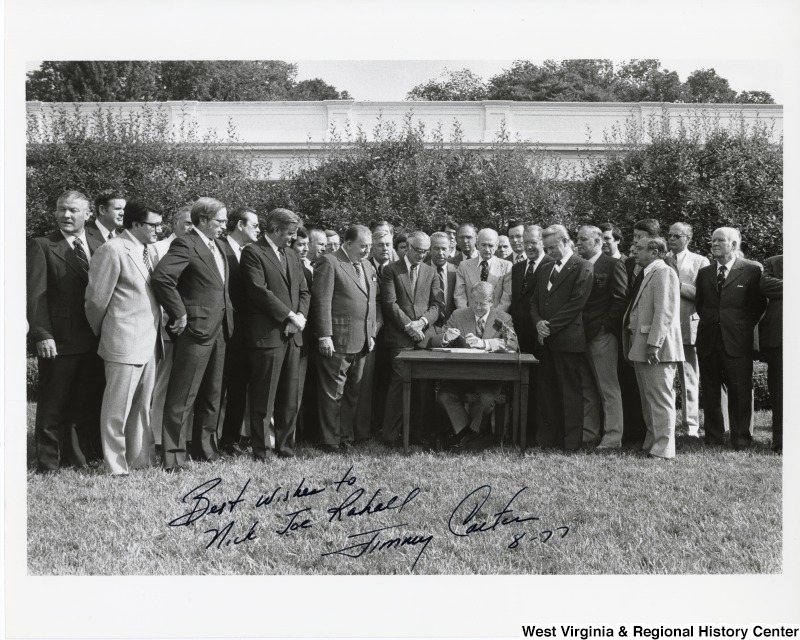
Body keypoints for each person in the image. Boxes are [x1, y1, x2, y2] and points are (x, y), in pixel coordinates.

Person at [150, 197, 234, 471]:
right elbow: (162, 277)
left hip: (220, 328)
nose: (225, 225)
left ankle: (206, 449)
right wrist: (180, 312)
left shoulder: (218, 246)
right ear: (203, 220)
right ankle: (173, 455)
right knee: (183, 395)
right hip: (196, 330)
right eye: (220, 221)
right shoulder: (185, 243)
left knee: (212, 394)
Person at [27, 190, 105, 472]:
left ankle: (79, 456)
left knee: (84, 401)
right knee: (52, 403)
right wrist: (42, 334)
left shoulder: (99, 243)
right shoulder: (43, 245)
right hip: (58, 339)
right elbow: (35, 296)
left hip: (94, 338)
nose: (66, 215)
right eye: (61, 209)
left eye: (73, 210)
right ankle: (48, 462)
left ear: (88, 214)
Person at [84, 200, 163, 475]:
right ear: (136, 224)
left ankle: (140, 460)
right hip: (123, 342)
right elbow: (96, 301)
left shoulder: (149, 251)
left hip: (150, 341)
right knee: (117, 409)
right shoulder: (113, 249)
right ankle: (116, 466)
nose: (158, 229)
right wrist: (107, 333)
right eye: (153, 224)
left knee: (142, 406)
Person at [239, 208, 309, 459]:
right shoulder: (253, 253)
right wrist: (289, 317)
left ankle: (286, 448)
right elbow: (259, 291)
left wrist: (299, 318)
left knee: (289, 399)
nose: (293, 238)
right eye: (289, 233)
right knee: (264, 398)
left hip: (293, 335)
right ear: (276, 229)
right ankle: (262, 450)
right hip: (268, 336)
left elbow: (304, 291)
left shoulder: (291, 254)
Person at [695, 227, 767, 450]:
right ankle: (714, 437)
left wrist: (742, 326)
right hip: (709, 339)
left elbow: (759, 305)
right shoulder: (705, 272)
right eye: (713, 240)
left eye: (720, 241)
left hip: (737, 340)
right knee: (710, 389)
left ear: (734, 245)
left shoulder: (752, 270)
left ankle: (741, 438)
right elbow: (701, 303)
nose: (714, 244)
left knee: (740, 390)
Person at [312, 224, 377, 452]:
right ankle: (329, 439)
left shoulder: (368, 265)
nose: (367, 251)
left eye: (369, 246)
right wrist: (324, 335)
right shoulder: (330, 262)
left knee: (352, 392)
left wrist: (371, 333)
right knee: (333, 392)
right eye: (362, 246)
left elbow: (371, 302)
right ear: (347, 244)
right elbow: (321, 301)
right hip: (337, 339)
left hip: (362, 341)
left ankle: (345, 436)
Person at [429, 282, 518, 449]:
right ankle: (470, 434)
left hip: (489, 378)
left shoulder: (501, 319)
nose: (477, 307)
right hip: (461, 377)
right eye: (474, 302)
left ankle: (467, 434)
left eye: (482, 304)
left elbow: (513, 344)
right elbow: (435, 340)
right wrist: (446, 337)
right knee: (444, 396)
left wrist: (484, 343)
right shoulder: (458, 315)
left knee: (485, 399)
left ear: (491, 302)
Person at [530, 224, 593, 451]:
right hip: (545, 341)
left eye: (553, 247)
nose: (549, 252)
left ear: (567, 242)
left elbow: (576, 303)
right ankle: (547, 440)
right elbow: (535, 301)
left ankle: (570, 443)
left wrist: (549, 326)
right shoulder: (545, 267)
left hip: (567, 340)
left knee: (569, 393)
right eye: (546, 248)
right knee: (547, 393)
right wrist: (538, 323)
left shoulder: (582, 266)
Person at [623, 236, 684, 459]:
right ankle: (652, 443)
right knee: (649, 398)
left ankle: (665, 448)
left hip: (657, 348)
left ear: (655, 252)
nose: (633, 251)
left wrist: (654, 344)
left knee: (660, 398)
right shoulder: (650, 272)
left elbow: (665, 312)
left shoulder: (664, 272)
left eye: (639, 248)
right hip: (644, 345)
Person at [380, 231, 443, 445]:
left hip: (423, 338)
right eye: (418, 251)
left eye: (425, 252)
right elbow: (390, 304)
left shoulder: (430, 271)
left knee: (422, 388)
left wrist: (422, 323)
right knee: (399, 384)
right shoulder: (391, 270)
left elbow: (437, 305)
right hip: (399, 338)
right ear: (407, 246)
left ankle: (416, 436)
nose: (422, 255)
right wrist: (409, 326)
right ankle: (390, 436)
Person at [576, 225, 628, 449]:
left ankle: (613, 438)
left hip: (602, 337)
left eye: (583, 240)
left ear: (597, 242)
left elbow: (620, 300)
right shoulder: (579, 266)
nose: (578, 243)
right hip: (580, 336)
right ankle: (589, 435)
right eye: (577, 239)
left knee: (608, 389)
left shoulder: (614, 264)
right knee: (587, 389)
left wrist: (604, 327)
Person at [150, 205, 193, 452]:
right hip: (169, 328)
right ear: (175, 224)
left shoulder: (199, 247)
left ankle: (184, 436)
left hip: (193, 330)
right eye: (186, 223)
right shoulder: (159, 249)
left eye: (193, 224)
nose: (189, 228)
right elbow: (158, 287)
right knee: (164, 384)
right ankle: (157, 437)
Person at [217, 207, 260, 456]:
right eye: (254, 224)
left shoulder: (251, 252)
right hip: (222, 332)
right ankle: (207, 439)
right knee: (216, 390)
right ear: (240, 225)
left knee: (237, 390)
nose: (258, 229)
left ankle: (230, 439)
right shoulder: (219, 248)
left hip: (244, 334)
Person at [667, 222, 710, 438]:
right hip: (666, 329)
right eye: (670, 235)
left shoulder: (700, 261)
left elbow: (703, 294)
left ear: (688, 238)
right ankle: (668, 424)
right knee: (667, 380)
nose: (672, 239)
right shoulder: (662, 260)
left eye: (677, 235)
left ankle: (691, 426)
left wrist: (677, 285)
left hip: (687, 326)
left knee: (690, 378)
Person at [509, 225, 551, 443]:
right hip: (520, 339)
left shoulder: (550, 265)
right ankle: (519, 432)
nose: (529, 246)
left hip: (542, 337)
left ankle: (539, 435)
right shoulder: (517, 268)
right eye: (526, 243)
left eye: (533, 242)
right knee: (520, 388)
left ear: (542, 242)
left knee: (541, 388)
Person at [354, 226, 393, 441]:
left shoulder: (398, 267)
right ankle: (364, 428)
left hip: (393, 336)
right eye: (379, 245)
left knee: (388, 384)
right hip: (368, 335)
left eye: (388, 244)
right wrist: (373, 330)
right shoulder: (365, 267)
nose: (384, 248)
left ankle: (384, 426)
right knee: (366, 384)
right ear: (372, 248)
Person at [454, 228, 512, 313]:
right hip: (469, 318)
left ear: (496, 246)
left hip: (495, 320)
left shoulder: (506, 266)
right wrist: (467, 316)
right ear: (477, 244)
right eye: (483, 245)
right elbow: (459, 296)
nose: (487, 249)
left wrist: (491, 318)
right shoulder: (464, 266)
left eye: (491, 246)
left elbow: (506, 299)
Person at [759, 255, 783, 453]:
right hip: (780, 339)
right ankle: (781, 441)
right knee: (780, 393)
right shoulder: (774, 262)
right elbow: (766, 285)